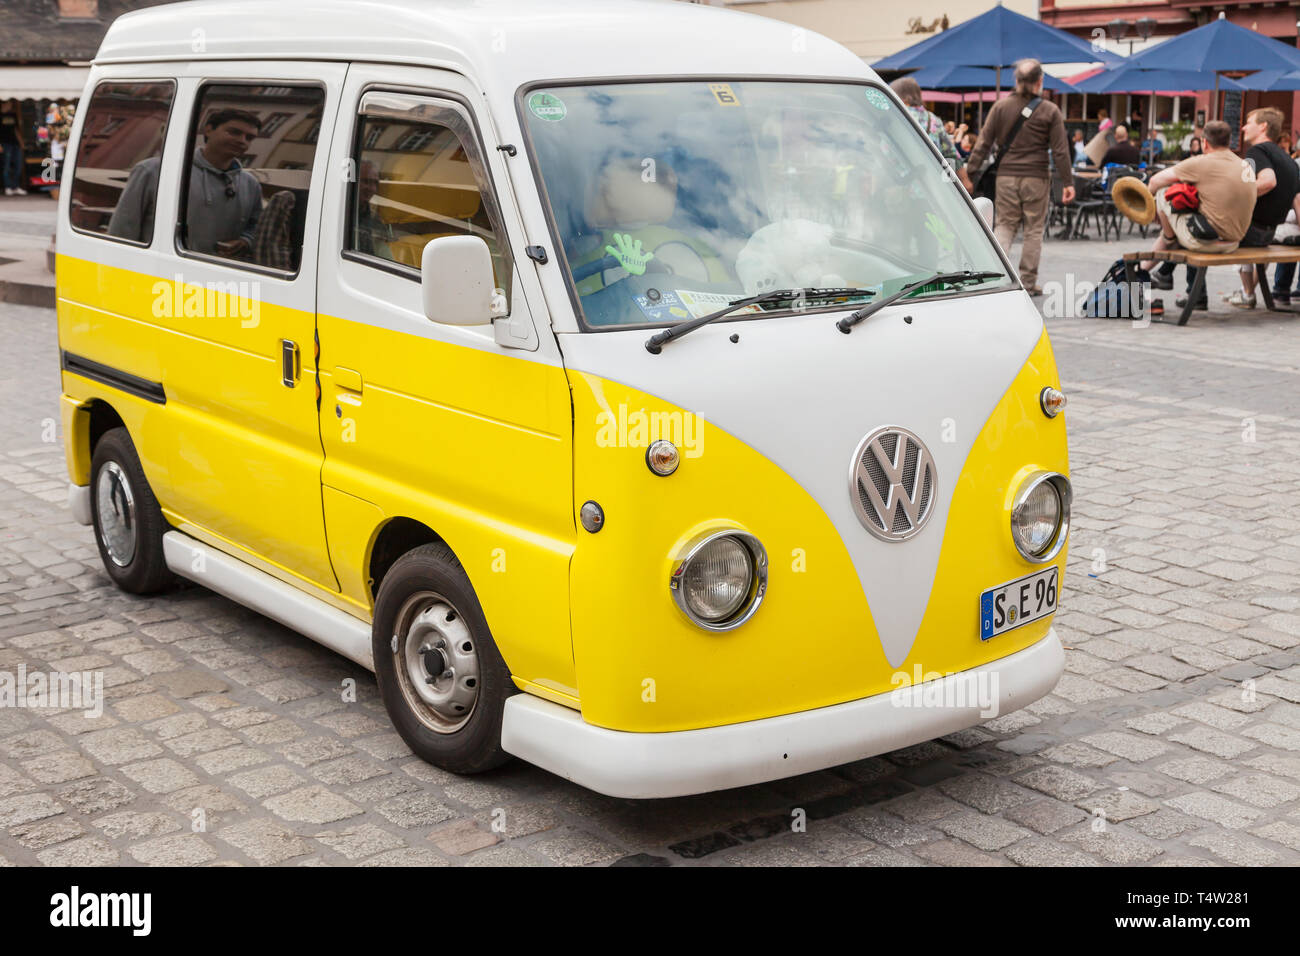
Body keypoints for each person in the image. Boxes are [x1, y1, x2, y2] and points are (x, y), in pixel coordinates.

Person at [958, 58, 1073, 296]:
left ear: (1017, 81)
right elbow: (1061, 150)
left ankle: (993, 276)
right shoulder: (1050, 110)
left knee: (1005, 225)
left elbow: (983, 144)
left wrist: (968, 175)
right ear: (1040, 81)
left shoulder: (1000, 107)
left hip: (1006, 176)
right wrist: (1068, 182)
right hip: (1037, 178)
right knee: (1033, 230)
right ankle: (1028, 283)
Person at [109, 108, 262, 253]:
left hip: (219, 276)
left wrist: (246, 240)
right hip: (159, 272)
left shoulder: (251, 184)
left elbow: (256, 227)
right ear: (208, 130)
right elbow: (123, 229)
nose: (242, 141)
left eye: (250, 138)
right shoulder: (155, 170)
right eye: (234, 132)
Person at [1142, 120, 1257, 312]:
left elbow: (1155, 180)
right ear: (1229, 141)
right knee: (1192, 210)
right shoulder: (1243, 164)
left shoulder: (1201, 162)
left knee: (1165, 191)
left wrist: (1151, 211)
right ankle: (1159, 272)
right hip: (1234, 242)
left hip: (1207, 241)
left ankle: (1163, 250)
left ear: (1204, 142)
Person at [890, 77, 964, 173]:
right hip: (929, 181)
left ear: (902, 98)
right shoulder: (933, 119)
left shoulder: (894, 117)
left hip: (900, 181)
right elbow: (951, 155)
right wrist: (961, 179)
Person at [0, 99, 26, 196]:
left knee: (18, 166)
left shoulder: (12, 115)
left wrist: (21, 142)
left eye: (11, 104)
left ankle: (15, 186)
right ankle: (7, 187)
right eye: (8, 104)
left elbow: (16, 130)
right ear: (3, 104)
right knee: (6, 166)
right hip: (5, 144)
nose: (10, 106)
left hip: (15, 144)